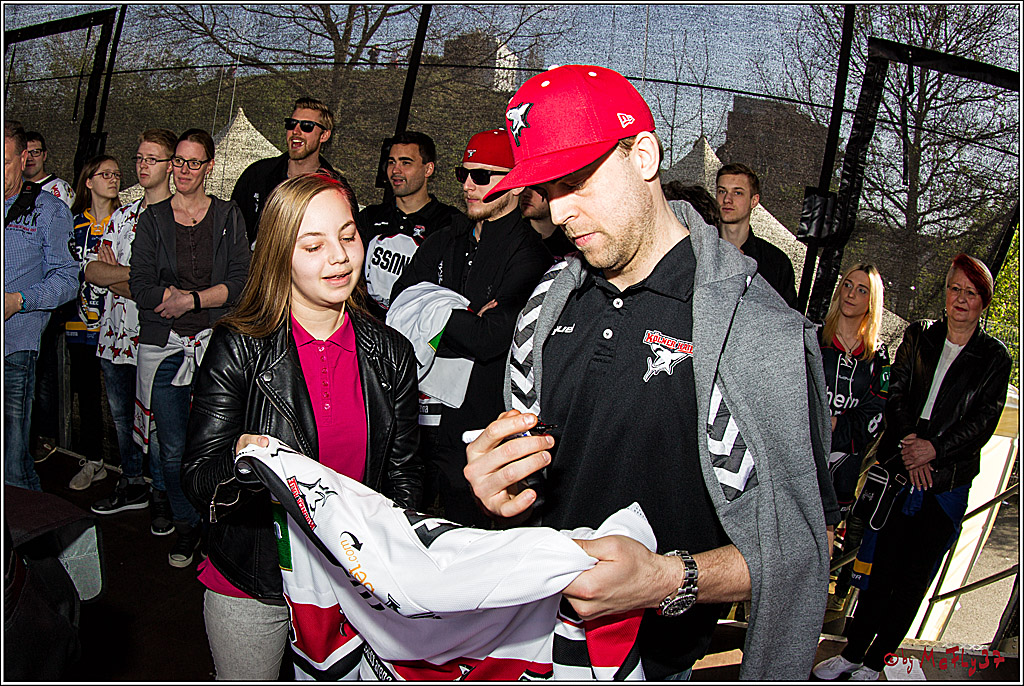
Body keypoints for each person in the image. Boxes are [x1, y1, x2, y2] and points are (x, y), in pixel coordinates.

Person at [463, 65, 837, 680]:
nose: (561, 213)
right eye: (551, 189)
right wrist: (498, 491)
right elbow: (534, 487)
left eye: (579, 181)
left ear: (643, 154)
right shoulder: (547, 300)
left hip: (656, 663)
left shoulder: (757, 330)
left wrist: (668, 579)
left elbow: (802, 551)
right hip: (523, 643)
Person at [182, 172, 423, 680]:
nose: (338, 257)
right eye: (312, 245)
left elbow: (402, 478)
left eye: (348, 235)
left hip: (356, 578)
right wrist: (246, 463)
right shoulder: (240, 344)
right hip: (256, 581)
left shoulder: (392, 353)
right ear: (278, 254)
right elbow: (199, 476)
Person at [813, 253, 1011, 681]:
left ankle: (875, 661)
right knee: (877, 569)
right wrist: (911, 447)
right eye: (955, 288)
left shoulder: (995, 357)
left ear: (984, 302)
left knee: (912, 578)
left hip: (946, 484)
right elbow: (896, 395)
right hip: (899, 469)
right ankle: (851, 652)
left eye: (971, 293)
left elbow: (982, 423)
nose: (961, 299)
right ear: (945, 293)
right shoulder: (920, 335)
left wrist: (934, 450)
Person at [390, 129, 551, 528]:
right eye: (464, 173)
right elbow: (399, 306)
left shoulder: (532, 255)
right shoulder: (446, 237)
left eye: (482, 177)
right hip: (417, 416)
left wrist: (434, 310)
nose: (467, 185)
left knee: (473, 532)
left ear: (516, 184)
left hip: (479, 425)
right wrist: (463, 314)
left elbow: (490, 338)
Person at [129, 128, 251, 567]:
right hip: (165, 346)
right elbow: (139, 283)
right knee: (172, 445)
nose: (182, 170)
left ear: (210, 167)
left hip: (216, 348)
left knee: (218, 443)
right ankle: (186, 526)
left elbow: (241, 282)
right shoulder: (153, 218)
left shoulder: (227, 214)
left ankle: (216, 524)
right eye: (177, 161)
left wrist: (193, 300)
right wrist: (170, 300)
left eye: (192, 162)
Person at [86, 128, 177, 534]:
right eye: (139, 157)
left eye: (151, 159)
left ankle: (161, 494)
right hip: (113, 338)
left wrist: (120, 277)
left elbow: (167, 286)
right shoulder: (122, 216)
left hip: (155, 340)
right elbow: (91, 269)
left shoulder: (178, 220)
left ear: (171, 165)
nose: (141, 165)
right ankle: (131, 484)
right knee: (123, 421)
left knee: (157, 424)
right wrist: (137, 279)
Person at [4, 120, 78, 491]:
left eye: (3, 161)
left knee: (12, 462)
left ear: (23, 159)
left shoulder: (47, 209)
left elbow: (67, 280)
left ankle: (36, 544)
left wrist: (18, 301)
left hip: (14, 349)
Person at [817, 263, 890, 610]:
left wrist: (834, 425)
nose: (851, 293)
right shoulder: (813, 337)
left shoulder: (879, 358)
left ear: (871, 301)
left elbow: (875, 415)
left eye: (862, 289)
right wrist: (818, 422)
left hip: (842, 471)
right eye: (847, 285)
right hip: (800, 460)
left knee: (820, 554)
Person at [63, 155, 123, 490]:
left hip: (116, 327)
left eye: (117, 174)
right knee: (86, 394)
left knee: (121, 400)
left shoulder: (127, 220)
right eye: (105, 174)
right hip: (79, 324)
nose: (113, 179)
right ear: (88, 181)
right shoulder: (72, 223)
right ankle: (93, 460)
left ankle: (130, 469)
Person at [358, 131, 461, 321]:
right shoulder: (370, 217)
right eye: (391, 162)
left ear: (428, 169)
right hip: (368, 326)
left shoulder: (450, 223)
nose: (396, 170)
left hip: (416, 332)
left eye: (406, 163)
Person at [231, 97, 338, 246]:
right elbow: (232, 231)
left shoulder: (335, 190)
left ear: (324, 135)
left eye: (307, 126)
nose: (296, 131)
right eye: (291, 124)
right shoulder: (257, 174)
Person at [715, 163, 797, 308]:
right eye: (722, 191)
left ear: (754, 200)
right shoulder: (702, 250)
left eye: (738, 192)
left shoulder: (776, 262)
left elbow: (789, 319)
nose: (727, 199)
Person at [518, 186, 574, 260]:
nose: (525, 194)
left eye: (536, 189)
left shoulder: (572, 237)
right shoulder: (514, 235)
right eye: (523, 188)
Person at [24, 131, 75, 208]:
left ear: (44, 155)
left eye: (35, 152)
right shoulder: (11, 188)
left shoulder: (60, 188)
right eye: (25, 154)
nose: (29, 158)